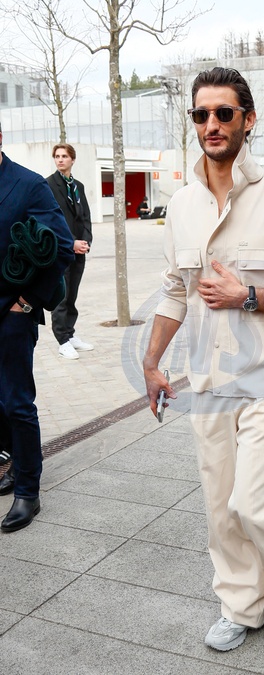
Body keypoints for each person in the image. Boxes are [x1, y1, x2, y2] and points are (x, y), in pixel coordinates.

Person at [143, 67, 264, 651]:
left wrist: (250, 296)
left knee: (256, 506)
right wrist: (152, 364)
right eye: (201, 114)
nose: (211, 124)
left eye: (223, 113)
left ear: (247, 120)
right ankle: (241, 602)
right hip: (208, 382)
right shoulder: (181, 205)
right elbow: (175, 292)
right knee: (220, 508)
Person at [0, 125, 74, 532]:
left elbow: (62, 247)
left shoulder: (28, 185)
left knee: (16, 403)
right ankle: (14, 463)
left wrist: (25, 302)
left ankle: (28, 490)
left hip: (13, 313)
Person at [47, 144, 93, 360]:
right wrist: (71, 242)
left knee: (72, 295)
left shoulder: (78, 186)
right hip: (61, 249)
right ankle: (62, 341)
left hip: (79, 250)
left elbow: (85, 217)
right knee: (61, 297)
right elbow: (52, 219)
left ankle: (70, 334)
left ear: (72, 159)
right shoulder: (48, 185)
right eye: (57, 156)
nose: (60, 160)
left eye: (64, 156)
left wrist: (86, 241)